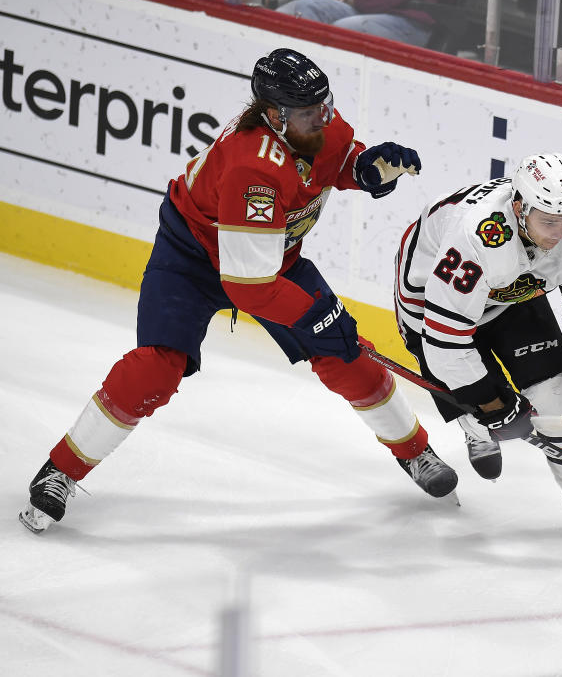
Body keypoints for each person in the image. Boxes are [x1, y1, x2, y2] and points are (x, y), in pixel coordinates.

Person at [19, 48, 457, 534]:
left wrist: (365, 167)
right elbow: (249, 286)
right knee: (154, 371)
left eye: (327, 105)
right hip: (193, 258)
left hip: (273, 257)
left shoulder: (309, 121)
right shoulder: (254, 167)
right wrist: (317, 317)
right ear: (274, 116)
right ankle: (60, 470)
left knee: (348, 360)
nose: (326, 118)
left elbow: (334, 157)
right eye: (313, 112)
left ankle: (417, 453)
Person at [394, 153, 562, 541]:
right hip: (434, 302)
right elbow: (446, 344)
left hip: (511, 288)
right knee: (481, 403)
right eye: (548, 221)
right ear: (519, 207)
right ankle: (475, 428)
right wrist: (491, 405)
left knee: (557, 394)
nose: (560, 232)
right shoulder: (477, 237)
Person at [276, 0, 446, 47]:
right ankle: (304, 75)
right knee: (310, 5)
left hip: (410, 22)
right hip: (368, 8)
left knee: (342, 30)